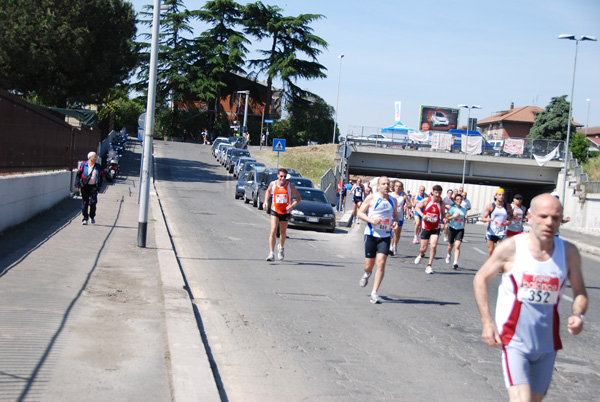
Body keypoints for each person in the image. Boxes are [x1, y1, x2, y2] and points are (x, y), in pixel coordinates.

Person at [473, 193, 587, 402]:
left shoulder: (568, 252)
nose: (549, 222)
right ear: (530, 217)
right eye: (543, 216)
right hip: (514, 341)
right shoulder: (511, 247)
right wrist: (487, 322)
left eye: (555, 217)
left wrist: (578, 314)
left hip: (547, 345)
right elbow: (481, 278)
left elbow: (580, 293)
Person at [357, 176, 399, 304]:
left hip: (385, 236)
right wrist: (371, 220)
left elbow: (395, 216)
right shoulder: (371, 198)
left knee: (381, 263)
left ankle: (374, 292)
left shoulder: (393, 201)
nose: (386, 186)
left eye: (388, 184)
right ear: (378, 186)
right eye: (384, 184)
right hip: (371, 234)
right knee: (368, 265)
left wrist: (395, 223)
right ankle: (367, 274)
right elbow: (360, 213)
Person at [263, 168, 301, 261]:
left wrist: (292, 205)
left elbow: (298, 198)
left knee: (282, 233)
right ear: (277, 176)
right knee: (273, 231)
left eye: (284, 176)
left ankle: (281, 247)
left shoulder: (290, 186)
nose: (283, 178)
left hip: (285, 211)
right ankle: (271, 254)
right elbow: (268, 191)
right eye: (281, 176)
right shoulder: (273, 184)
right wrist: (265, 202)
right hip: (275, 210)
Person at [414, 184, 444, 274]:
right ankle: (421, 254)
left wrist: (443, 221)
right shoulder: (427, 200)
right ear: (433, 192)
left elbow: (443, 213)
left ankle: (429, 266)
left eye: (439, 193)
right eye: (436, 193)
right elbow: (417, 207)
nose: (438, 195)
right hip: (426, 226)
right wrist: (423, 215)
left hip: (435, 227)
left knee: (433, 246)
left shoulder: (441, 203)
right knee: (423, 248)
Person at [482, 188, 513, 257]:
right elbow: (483, 219)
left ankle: (496, 266)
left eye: (503, 195)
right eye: (499, 195)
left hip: (501, 232)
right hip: (491, 231)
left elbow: (511, 215)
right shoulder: (490, 206)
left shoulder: (507, 206)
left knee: (499, 251)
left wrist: (509, 221)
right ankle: (489, 266)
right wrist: (487, 220)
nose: (501, 196)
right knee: (491, 251)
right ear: (496, 196)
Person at [75, 151, 103, 225]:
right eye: (94, 157)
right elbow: (78, 176)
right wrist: (77, 185)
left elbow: (101, 176)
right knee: (85, 202)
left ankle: (92, 216)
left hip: (94, 187)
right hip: (85, 186)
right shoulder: (83, 165)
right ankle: (85, 218)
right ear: (90, 158)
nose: (96, 158)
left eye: (96, 157)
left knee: (93, 202)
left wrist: (99, 185)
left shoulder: (98, 166)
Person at [389, 180, 411, 256]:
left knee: (397, 233)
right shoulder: (390, 195)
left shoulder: (403, 196)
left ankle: (395, 245)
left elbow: (410, 205)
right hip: (391, 216)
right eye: (396, 186)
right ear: (394, 187)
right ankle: (391, 247)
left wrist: (407, 205)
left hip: (400, 217)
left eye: (400, 186)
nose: (398, 188)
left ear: (401, 188)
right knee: (391, 232)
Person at [445, 193, 467, 270]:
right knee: (450, 245)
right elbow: (447, 218)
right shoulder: (452, 208)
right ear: (454, 200)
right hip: (452, 228)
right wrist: (454, 216)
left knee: (457, 246)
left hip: (460, 229)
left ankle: (455, 263)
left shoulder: (464, 209)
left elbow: (464, 217)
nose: (459, 201)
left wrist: (465, 217)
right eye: (457, 199)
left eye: (460, 199)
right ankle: (449, 254)